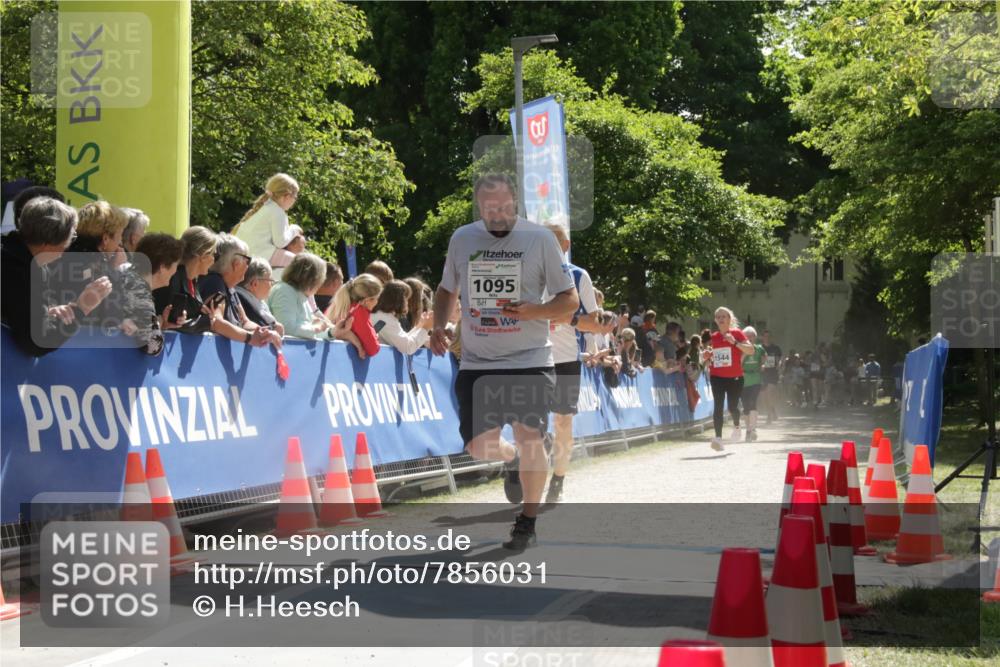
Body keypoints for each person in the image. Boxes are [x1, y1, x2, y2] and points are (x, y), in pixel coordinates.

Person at [429, 173, 579, 551]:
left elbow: (569, 300)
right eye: (489, 208)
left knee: (530, 436)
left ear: (516, 204)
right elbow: (447, 289)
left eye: (505, 208)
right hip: (479, 362)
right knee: (479, 447)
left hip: (529, 359)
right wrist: (439, 326)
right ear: (479, 206)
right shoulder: (463, 238)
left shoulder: (539, 239)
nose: (497, 215)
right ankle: (511, 458)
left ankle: (527, 520)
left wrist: (536, 311)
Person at [542, 222, 606, 504]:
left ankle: (558, 479)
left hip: (566, 361)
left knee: (563, 422)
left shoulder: (579, 276)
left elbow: (595, 323)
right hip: (532, 357)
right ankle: (523, 465)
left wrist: (567, 318)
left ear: (565, 246)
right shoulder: (528, 275)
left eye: (554, 243)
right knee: (526, 421)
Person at [0, 197, 111, 356]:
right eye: (70, 238)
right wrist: (82, 308)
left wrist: (48, 311)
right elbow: (36, 343)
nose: (67, 247)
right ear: (51, 242)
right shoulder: (17, 269)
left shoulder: (23, 258)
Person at [195, 233, 282, 348]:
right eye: (247, 260)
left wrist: (263, 332)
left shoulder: (230, 288)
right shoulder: (214, 282)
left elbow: (245, 322)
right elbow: (216, 322)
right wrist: (250, 338)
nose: (248, 266)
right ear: (236, 264)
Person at [123, 233, 186, 355]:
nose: (176, 270)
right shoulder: (139, 290)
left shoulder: (128, 279)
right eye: (175, 265)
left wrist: (162, 322)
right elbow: (153, 346)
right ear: (162, 267)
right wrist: (159, 322)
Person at [702, 306, 754, 451]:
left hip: (735, 377)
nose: (720, 319)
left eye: (723, 316)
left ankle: (737, 426)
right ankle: (718, 438)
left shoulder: (737, 333)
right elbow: (710, 357)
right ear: (715, 320)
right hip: (717, 376)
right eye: (718, 317)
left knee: (732, 407)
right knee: (718, 406)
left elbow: (751, 350)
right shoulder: (714, 337)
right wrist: (707, 356)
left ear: (729, 319)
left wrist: (735, 343)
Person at [153, 226, 219, 335]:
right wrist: (206, 321)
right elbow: (172, 323)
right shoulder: (172, 278)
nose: (214, 260)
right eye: (214, 254)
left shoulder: (192, 281)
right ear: (203, 256)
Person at [268, 252, 342, 341]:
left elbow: (310, 333)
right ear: (312, 278)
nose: (321, 283)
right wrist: (316, 328)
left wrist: (332, 332)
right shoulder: (284, 290)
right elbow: (287, 329)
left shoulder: (300, 294)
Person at [233, 173, 302, 269]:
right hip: (258, 253)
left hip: (244, 252)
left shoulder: (265, 206)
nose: (295, 201)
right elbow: (280, 242)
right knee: (300, 263)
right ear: (286, 196)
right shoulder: (277, 212)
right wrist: (294, 229)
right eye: (295, 197)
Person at [371, 279, 432, 354]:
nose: (407, 302)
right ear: (400, 300)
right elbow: (408, 348)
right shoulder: (386, 319)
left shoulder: (383, 316)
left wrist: (419, 326)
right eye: (406, 299)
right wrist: (426, 328)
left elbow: (404, 340)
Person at [330, 273, 383, 358]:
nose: (377, 302)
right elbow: (373, 349)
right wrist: (374, 336)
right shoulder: (359, 312)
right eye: (377, 298)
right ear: (367, 300)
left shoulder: (340, 304)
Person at [236, 257, 283, 334]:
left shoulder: (250, 299)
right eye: (270, 281)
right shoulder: (241, 301)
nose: (272, 285)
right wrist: (273, 328)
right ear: (255, 284)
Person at [740, 326, 766, 442]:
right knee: (745, 406)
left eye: (751, 336)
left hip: (756, 378)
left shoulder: (759, 348)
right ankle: (748, 430)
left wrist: (763, 365)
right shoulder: (740, 349)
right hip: (743, 380)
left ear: (755, 337)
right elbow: (738, 364)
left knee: (752, 402)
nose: (749, 338)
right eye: (747, 336)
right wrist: (745, 353)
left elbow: (764, 359)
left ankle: (753, 429)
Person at [760, 330, 782, 423]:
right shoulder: (759, 348)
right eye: (765, 336)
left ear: (771, 337)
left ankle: (769, 415)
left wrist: (779, 365)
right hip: (762, 374)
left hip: (773, 373)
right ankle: (772, 410)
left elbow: (780, 359)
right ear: (762, 337)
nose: (767, 338)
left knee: (770, 393)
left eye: (769, 336)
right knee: (764, 396)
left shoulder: (776, 348)